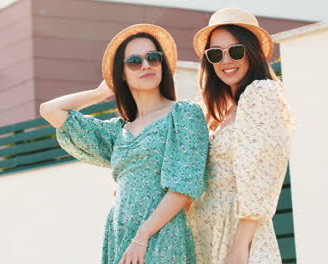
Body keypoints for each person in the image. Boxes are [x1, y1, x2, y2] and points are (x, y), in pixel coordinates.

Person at [40, 24, 209, 264]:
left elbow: (183, 188)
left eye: (153, 58)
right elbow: (50, 110)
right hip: (120, 233)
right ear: (121, 73)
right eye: (134, 61)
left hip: (161, 234)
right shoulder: (118, 131)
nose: (146, 65)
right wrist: (100, 92)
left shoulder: (183, 114)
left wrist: (142, 237)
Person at [187, 8, 293, 264]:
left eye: (235, 50)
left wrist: (239, 246)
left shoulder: (261, 94)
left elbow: (260, 174)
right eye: (215, 54)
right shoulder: (218, 112)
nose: (226, 61)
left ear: (251, 51)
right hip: (204, 237)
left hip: (237, 237)